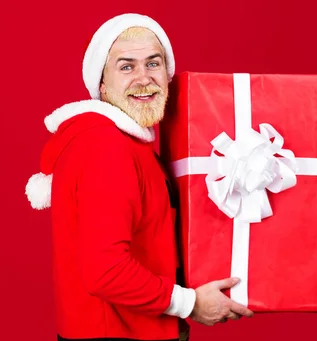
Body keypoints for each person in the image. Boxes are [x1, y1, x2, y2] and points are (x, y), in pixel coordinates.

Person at [25, 13, 254, 341]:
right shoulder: (106, 147)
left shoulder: (130, 145)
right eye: (126, 66)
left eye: (153, 63)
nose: (143, 78)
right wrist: (191, 304)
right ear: (102, 85)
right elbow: (106, 272)